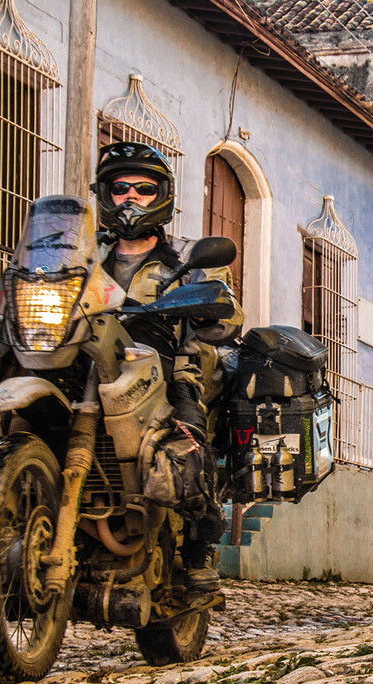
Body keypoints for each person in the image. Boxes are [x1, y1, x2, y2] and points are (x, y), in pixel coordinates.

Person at [92, 141, 244, 596]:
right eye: (121, 188)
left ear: (162, 195)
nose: (131, 197)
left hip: (169, 364)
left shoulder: (189, 256)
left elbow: (229, 317)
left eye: (144, 187)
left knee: (185, 433)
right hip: (92, 360)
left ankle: (199, 547)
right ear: (106, 194)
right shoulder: (85, 253)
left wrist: (206, 311)